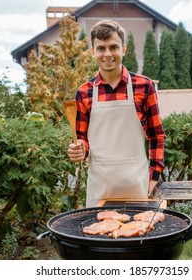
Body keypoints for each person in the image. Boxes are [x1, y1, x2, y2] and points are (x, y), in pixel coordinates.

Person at [67, 19, 165, 207]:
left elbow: (156, 136)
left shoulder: (144, 86)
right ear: (92, 52)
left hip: (138, 185)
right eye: (101, 48)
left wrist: (154, 178)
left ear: (124, 49)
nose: (107, 54)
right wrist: (78, 150)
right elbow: (82, 140)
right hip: (100, 189)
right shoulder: (83, 92)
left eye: (113, 47)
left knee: (137, 235)